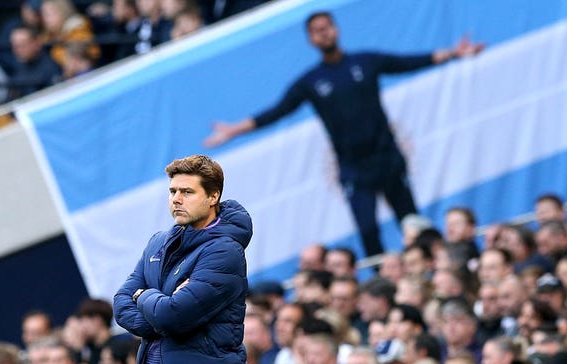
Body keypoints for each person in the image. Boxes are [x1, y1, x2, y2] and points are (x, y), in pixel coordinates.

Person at [204, 11, 483, 258]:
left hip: (387, 158)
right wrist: (235, 129)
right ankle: (382, 280)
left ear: (336, 29)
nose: (324, 33)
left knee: (412, 222)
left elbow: (408, 62)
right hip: (354, 170)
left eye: (327, 26)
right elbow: (278, 111)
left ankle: (430, 262)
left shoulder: (366, 61)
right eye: (317, 30)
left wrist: (454, 53)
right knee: (368, 231)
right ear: (311, 39)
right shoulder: (311, 82)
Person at [114, 154, 253, 364]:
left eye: (187, 192)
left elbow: (172, 316)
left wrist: (144, 296)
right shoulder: (159, 242)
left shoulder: (224, 251)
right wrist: (161, 310)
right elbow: (121, 303)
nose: (176, 199)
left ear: (213, 197)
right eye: (173, 191)